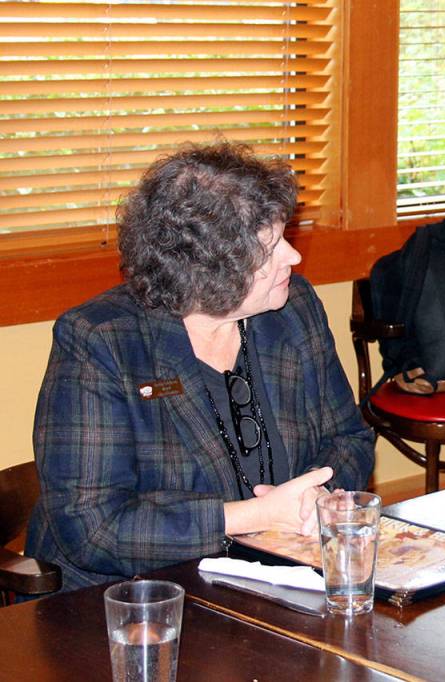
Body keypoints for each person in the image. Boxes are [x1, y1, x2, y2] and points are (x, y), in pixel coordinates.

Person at [27, 141, 375, 591]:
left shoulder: (294, 308)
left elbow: (348, 438)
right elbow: (92, 528)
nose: (293, 256)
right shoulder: (102, 342)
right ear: (206, 271)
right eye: (269, 249)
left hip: (272, 576)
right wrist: (254, 516)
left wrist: (318, 497)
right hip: (128, 601)